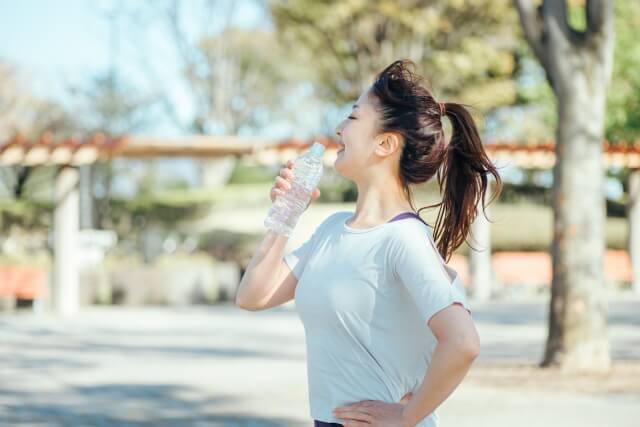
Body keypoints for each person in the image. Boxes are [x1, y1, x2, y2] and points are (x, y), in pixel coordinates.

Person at [236, 58, 502, 427]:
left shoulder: (404, 238)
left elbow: (463, 343)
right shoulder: (331, 230)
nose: (339, 127)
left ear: (385, 143)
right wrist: (285, 216)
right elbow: (252, 296)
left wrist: (408, 415)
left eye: (353, 116)